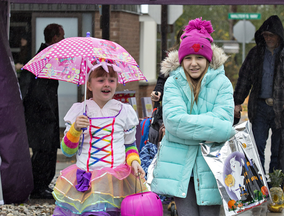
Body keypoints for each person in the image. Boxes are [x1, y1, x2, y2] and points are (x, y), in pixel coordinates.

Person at [151, 18, 235, 216]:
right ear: (181, 59)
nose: (194, 63)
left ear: (208, 58)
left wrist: (186, 128)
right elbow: (173, 122)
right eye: (188, 58)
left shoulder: (222, 84)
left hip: (211, 168)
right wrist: (211, 125)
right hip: (180, 168)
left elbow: (224, 127)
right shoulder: (173, 84)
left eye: (199, 57)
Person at [52, 62, 146, 216]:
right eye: (101, 80)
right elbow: (67, 151)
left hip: (116, 180)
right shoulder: (79, 111)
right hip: (87, 178)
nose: (107, 84)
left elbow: (130, 145)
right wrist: (75, 129)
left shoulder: (125, 111)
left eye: (111, 80)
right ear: (89, 85)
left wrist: (134, 161)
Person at [233, 15, 284, 179]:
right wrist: (237, 102)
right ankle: (259, 184)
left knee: (279, 149)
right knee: (256, 146)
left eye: (271, 35)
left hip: (282, 110)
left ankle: (275, 186)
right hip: (259, 108)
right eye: (265, 35)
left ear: (279, 35)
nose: (268, 38)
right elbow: (244, 79)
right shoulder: (255, 54)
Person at [23, 23, 65, 199]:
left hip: (43, 117)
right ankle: (38, 187)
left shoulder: (46, 57)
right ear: (55, 38)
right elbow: (39, 92)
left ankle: (40, 186)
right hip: (42, 118)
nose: (62, 40)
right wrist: (49, 114)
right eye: (61, 37)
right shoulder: (44, 59)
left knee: (45, 152)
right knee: (43, 153)